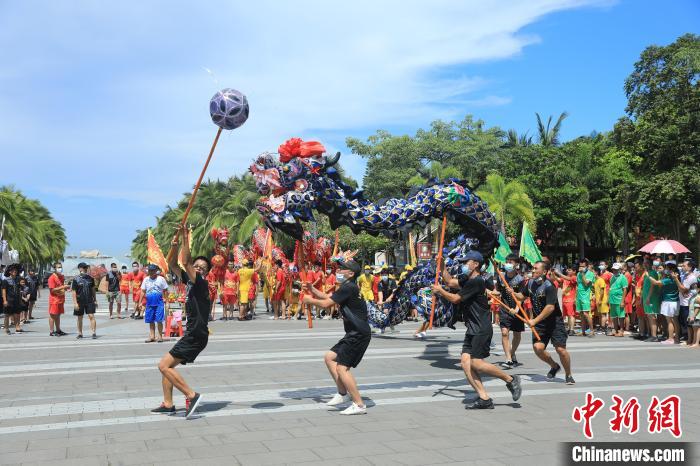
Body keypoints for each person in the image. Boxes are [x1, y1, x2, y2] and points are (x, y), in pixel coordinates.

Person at [432, 251, 522, 409]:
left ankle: (510, 379)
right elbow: (450, 282)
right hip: (472, 328)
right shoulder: (468, 279)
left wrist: (440, 291)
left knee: (477, 363)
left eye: (467, 262)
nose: (464, 264)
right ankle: (484, 398)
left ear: (476, 264)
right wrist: (441, 265)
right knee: (466, 363)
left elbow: (455, 298)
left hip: (481, 327)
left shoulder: (477, 282)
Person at [152, 226, 209, 418]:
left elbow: (185, 262)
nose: (198, 268)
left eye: (202, 268)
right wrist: (174, 246)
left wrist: (185, 237)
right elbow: (173, 264)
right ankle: (168, 404)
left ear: (204, 273)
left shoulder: (201, 283)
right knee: (168, 368)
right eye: (198, 266)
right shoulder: (191, 283)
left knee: (163, 366)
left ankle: (191, 395)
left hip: (196, 334)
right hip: (194, 334)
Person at [302, 260, 371, 415]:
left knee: (342, 368)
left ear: (351, 273)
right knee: (329, 357)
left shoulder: (348, 287)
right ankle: (342, 394)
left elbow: (326, 304)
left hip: (358, 333)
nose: (339, 271)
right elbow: (329, 297)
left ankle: (359, 404)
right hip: (354, 332)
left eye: (342, 269)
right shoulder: (348, 287)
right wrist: (312, 289)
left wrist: (309, 300)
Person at [514, 261, 575, 385]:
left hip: (555, 322)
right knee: (538, 348)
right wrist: (513, 293)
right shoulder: (530, 283)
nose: (533, 270)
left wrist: (534, 320)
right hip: (540, 324)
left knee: (561, 350)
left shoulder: (549, 286)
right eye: (533, 268)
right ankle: (554, 366)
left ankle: (568, 374)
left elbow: (550, 308)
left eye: (536, 268)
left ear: (544, 272)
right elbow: (522, 296)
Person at [495, 254, 525, 367]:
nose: (508, 264)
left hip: (517, 309)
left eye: (511, 262)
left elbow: (522, 296)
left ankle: (512, 353)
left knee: (517, 335)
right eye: (507, 261)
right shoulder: (501, 276)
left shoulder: (520, 279)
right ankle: (508, 358)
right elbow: (498, 291)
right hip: (504, 308)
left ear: (516, 264)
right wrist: (490, 292)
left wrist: (517, 309)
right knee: (504, 332)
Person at [142, 264, 169, 343]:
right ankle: (152, 336)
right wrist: (141, 303)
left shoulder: (161, 279)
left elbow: (165, 290)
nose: (151, 272)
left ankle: (160, 336)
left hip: (159, 303)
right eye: (150, 270)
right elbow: (143, 291)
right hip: (149, 303)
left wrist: (167, 301)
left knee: (159, 320)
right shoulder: (146, 280)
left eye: (153, 270)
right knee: (150, 320)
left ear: (156, 271)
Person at [71, 262, 98, 339]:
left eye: (86, 268)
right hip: (80, 301)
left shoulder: (90, 278)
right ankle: (80, 333)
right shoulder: (75, 279)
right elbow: (73, 292)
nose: (86, 269)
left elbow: (93, 290)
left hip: (89, 300)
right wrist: (75, 303)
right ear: (80, 269)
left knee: (91, 316)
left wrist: (95, 300)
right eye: (84, 268)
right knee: (80, 317)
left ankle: (93, 332)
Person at [642, 259, 662, 341]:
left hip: (651, 298)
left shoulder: (653, 273)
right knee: (649, 316)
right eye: (644, 263)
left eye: (646, 263)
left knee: (652, 316)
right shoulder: (646, 273)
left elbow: (653, 286)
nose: (645, 264)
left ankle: (654, 336)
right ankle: (652, 335)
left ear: (650, 264)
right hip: (646, 297)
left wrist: (648, 297)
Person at [678, 260, 698, 343]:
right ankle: (686, 337)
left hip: (688, 303)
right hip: (683, 301)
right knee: (683, 321)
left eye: (684, 266)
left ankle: (689, 339)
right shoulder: (685, 275)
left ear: (690, 267)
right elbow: (681, 289)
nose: (682, 267)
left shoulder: (692, 277)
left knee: (688, 322)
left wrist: (676, 280)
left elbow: (683, 289)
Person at [48, 262, 69, 336]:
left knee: (58, 315)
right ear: (54, 269)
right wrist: (63, 287)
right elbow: (52, 290)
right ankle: (51, 331)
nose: (60, 269)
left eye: (61, 267)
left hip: (61, 299)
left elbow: (62, 286)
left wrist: (66, 288)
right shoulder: (51, 278)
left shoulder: (61, 277)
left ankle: (58, 330)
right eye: (58, 267)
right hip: (54, 300)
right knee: (53, 315)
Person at [575, 259, 595, 337]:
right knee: (581, 315)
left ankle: (592, 330)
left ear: (586, 266)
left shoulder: (590, 274)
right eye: (580, 266)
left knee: (586, 314)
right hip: (579, 296)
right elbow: (577, 285)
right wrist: (575, 297)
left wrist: (583, 273)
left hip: (586, 296)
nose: (581, 267)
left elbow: (586, 283)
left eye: (583, 266)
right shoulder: (578, 274)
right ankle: (583, 331)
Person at [607, 263, 628, 337]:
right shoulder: (612, 277)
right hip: (612, 300)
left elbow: (625, 289)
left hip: (619, 300)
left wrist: (622, 301)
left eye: (616, 269)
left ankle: (621, 330)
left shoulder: (623, 277)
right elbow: (611, 288)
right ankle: (615, 330)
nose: (614, 270)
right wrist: (608, 299)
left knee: (621, 316)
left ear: (619, 269)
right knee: (614, 316)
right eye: (613, 269)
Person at [2, 264, 23, 334]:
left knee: (17, 314)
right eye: (13, 270)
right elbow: (4, 291)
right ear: (9, 272)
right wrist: (5, 300)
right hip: (9, 300)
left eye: (16, 270)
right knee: (7, 315)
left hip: (16, 300)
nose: (15, 271)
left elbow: (20, 289)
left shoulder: (18, 279)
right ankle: (7, 328)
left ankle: (17, 327)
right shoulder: (6, 280)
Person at [376, 269, 399, 334]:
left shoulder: (392, 281)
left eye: (385, 275)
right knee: (385, 312)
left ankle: (391, 327)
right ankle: (382, 328)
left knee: (391, 314)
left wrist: (390, 298)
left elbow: (394, 291)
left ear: (388, 275)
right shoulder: (380, 283)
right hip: (385, 300)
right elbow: (380, 294)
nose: (384, 276)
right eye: (383, 275)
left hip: (393, 299)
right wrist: (380, 301)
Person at [593, 262, 612, 335]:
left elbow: (602, 291)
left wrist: (600, 300)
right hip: (598, 300)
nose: (592, 274)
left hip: (603, 299)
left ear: (596, 272)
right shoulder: (596, 280)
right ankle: (602, 327)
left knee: (604, 314)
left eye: (593, 272)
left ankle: (604, 327)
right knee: (601, 314)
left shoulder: (601, 280)